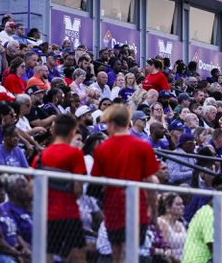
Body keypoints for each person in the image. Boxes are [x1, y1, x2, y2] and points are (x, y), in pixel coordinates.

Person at [91, 104, 160, 263]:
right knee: (132, 254)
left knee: (116, 254)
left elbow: (97, 182)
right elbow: (150, 183)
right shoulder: (142, 146)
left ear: (112, 124)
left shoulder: (102, 148)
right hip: (138, 209)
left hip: (113, 209)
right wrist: (154, 213)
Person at [31, 113, 87, 262]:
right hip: (69, 213)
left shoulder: (41, 156)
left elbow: (32, 187)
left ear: (53, 131)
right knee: (79, 252)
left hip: (45, 213)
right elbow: (78, 190)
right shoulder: (75, 154)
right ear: (72, 132)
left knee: (47, 253)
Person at [157, 193, 187, 263]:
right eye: (178, 204)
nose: (182, 206)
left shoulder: (181, 224)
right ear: (167, 208)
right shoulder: (161, 222)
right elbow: (166, 251)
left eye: (182, 204)